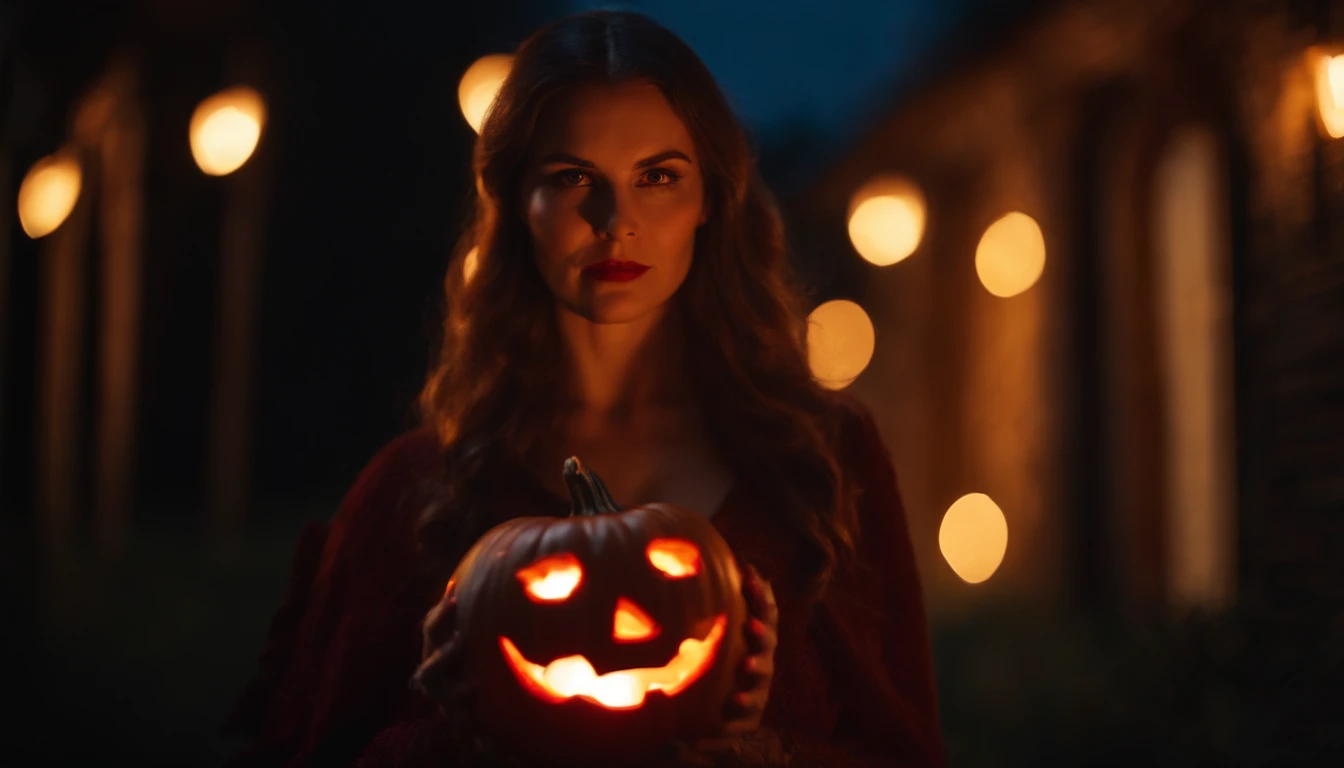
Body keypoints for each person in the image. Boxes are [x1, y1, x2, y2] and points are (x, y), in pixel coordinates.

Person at [221, 10, 945, 767]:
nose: (614, 220)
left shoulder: (823, 461)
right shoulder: (411, 494)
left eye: (657, 177)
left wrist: (765, 756)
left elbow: (909, 754)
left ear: (710, 200)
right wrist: (454, 739)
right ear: (514, 202)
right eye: (571, 179)